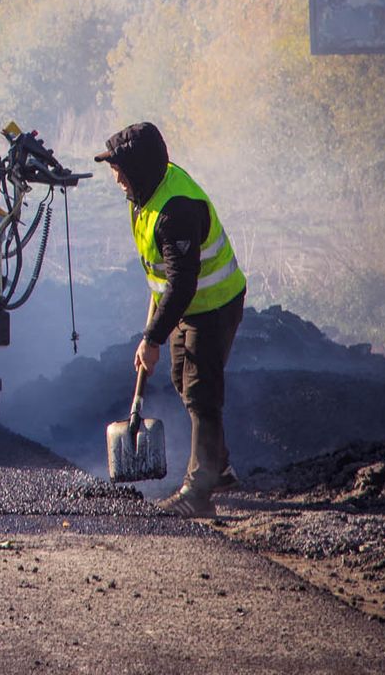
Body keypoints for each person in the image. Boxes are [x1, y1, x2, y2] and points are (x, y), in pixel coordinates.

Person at [94, 122, 247, 517]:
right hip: (187, 303)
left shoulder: (176, 209)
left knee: (201, 392)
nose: (116, 179)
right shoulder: (145, 194)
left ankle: (199, 492)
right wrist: (155, 328)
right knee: (183, 379)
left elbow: (182, 285)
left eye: (119, 170)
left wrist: (152, 339)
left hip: (212, 304)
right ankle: (221, 465)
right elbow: (162, 274)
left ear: (139, 168)